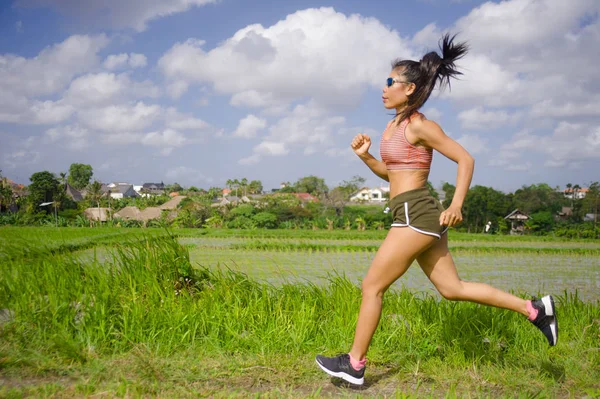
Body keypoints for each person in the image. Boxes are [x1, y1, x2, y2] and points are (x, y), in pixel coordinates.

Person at [315, 34, 557, 386]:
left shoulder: (419, 125)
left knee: (372, 287)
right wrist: (366, 156)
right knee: (452, 288)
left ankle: (354, 364)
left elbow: (465, 158)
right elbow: (392, 173)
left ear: (409, 88)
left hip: (417, 214)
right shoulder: (394, 126)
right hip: (410, 213)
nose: (383, 88)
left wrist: (457, 204)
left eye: (389, 82)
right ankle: (534, 309)